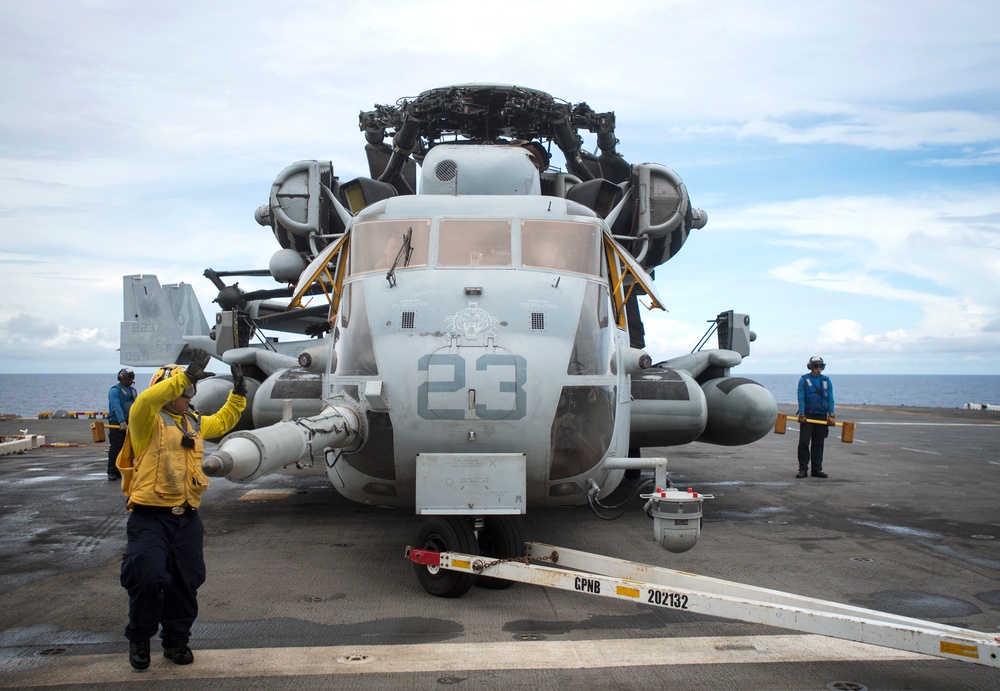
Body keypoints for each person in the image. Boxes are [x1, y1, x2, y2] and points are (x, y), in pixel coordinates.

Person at [116, 349, 246, 670]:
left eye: (192, 391)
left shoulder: (193, 422)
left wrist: (239, 394)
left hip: (186, 518)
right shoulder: (145, 417)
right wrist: (185, 377)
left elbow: (224, 420)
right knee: (147, 577)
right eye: (185, 391)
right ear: (169, 389)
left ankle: (176, 642)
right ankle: (140, 637)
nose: (190, 396)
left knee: (185, 581)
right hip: (150, 517)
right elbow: (148, 399)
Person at [796, 356, 835, 479]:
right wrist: (801, 413)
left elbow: (830, 398)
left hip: (821, 416)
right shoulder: (804, 380)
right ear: (810, 367)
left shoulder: (826, 381)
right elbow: (801, 397)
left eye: (821, 367)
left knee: (818, 444)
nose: (818, 369)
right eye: (816, 366)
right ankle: (803, 469)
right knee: (804, 443)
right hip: (808, 416)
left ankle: (816, 469)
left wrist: (831, 414)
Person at [107, 368, 138, 480]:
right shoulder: (114, 391)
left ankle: (123, 469)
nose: (131, 380)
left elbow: (136, 406)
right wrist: (121, 422)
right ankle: (111, 471)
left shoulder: (133, 391)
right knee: (116, 446)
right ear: (122, 378)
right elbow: (116, 407)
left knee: (129, 448)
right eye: (129, 377)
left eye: (132, 377)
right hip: (117, 422)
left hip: (131, 422)